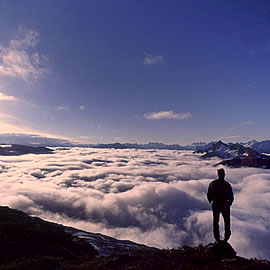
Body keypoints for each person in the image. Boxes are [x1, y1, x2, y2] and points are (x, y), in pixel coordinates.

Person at [207, 168, 234, 242]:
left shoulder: (213, 183)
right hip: (225, 204)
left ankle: (217, 238)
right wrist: (229, 203)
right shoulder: (227, 184)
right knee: (227, 221)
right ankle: (226, 237)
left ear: (218, 174)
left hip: (216, 204)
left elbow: (209, 194)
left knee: (216, 221)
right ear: (224, 175)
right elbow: (231, 196)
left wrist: (211, 201)